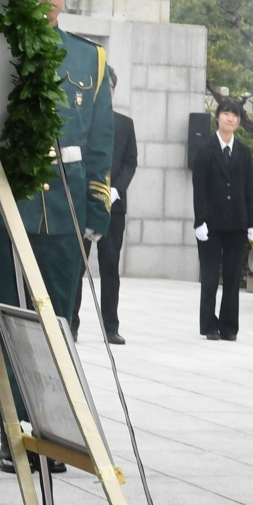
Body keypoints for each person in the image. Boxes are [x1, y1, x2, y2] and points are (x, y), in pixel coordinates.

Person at [0, 0, 114, 472]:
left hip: (69, 205)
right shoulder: (0, 46)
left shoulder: (90, 59)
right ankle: (12, 429)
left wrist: (95, 216)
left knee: (60, 319)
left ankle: (52, 430)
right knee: (8, 316)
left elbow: (101, 145)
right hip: (12, 200)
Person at [190, 98, 253, 342]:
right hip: (211, 224)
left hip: (237, 224)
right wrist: (200, 221)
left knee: (231, 276)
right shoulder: (205, 149)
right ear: (217, 117)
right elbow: (199, 188)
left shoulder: (244, 152)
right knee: (209, 276)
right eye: (227, 113)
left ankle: (229, 326)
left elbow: (250, 189)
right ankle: (209, 324)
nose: (231, 118)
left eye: (236, 115)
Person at [98, 99, 136, 344]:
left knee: (110, 266)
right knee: (77, 265)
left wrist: (116, 189)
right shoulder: (84, 117)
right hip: (85, 201)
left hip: (114, 204)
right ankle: (70, 322)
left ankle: (110, 327)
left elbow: (130, 162)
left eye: (109, 86)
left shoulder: (125, 123)